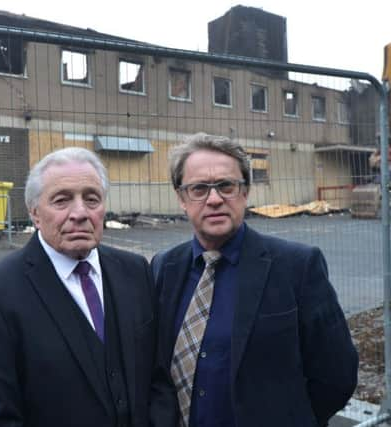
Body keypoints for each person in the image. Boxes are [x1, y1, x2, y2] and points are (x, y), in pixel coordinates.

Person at [0, 147, 177, 427]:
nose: (80, 213)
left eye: (92, 199)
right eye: (62, 200)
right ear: (34, 213)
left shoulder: (135, 271)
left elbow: (158, 379)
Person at [151, 133, 358, 427]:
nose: (214, 199)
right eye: (199, 189)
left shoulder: (297, 266)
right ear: (182, 198)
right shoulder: (165, 266)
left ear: (245, 192)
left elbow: (337, 374)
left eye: (226, 186)